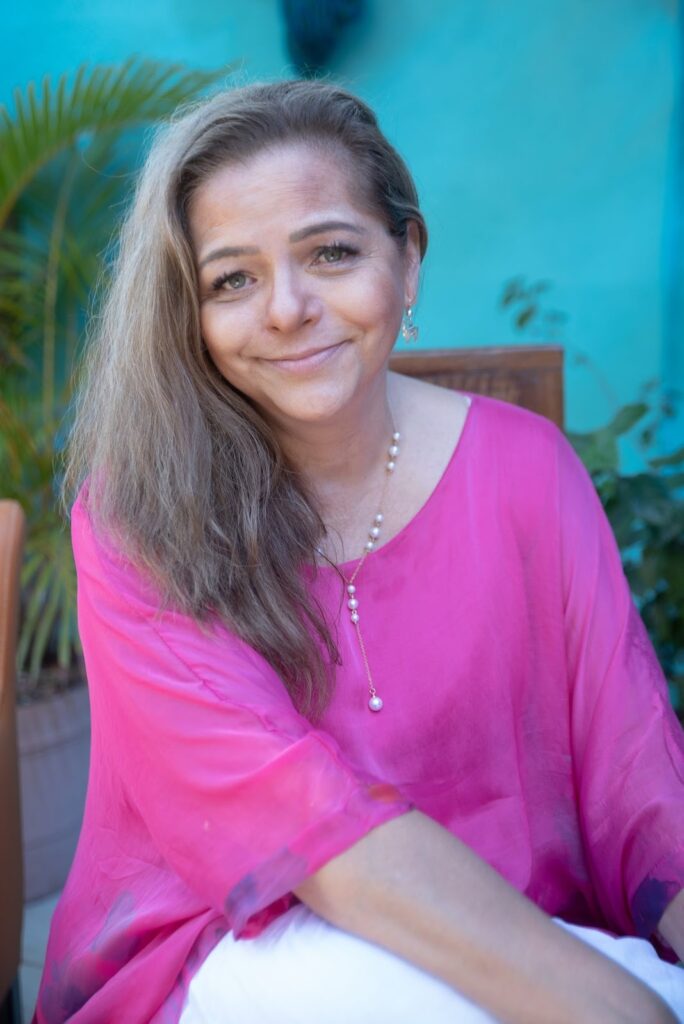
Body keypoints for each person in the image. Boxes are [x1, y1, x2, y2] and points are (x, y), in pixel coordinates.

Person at [34, 80, 684, 1024]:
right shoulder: (141, 516)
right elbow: (306, 831)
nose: (287, 309)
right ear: (189, 314)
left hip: (519, 940)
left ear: (407, 260)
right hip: (236, 948)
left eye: (331, 253)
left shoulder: (526, 470)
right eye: (232, 280)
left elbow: (641, 786)